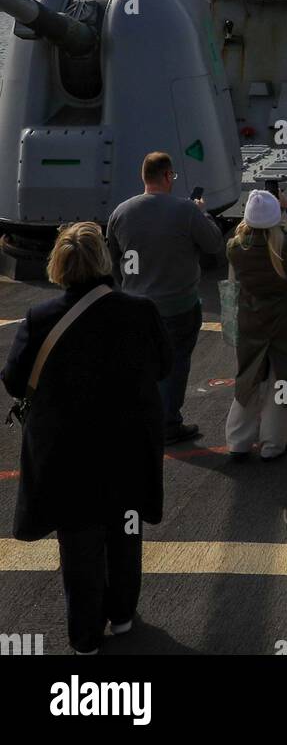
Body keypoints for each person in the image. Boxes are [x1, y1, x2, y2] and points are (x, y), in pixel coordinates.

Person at [1, 223, 171, 655]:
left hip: (67, 456)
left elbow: (15, 381)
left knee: (79, 548)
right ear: (104, 261)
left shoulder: (41, 319)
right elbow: (164, 366)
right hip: (127, 451)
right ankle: (123, 614)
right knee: (125, 534)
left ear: (58, 265)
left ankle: (85, 636)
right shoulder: (141, 311)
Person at [107, 151, 224, 445]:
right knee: (174, 364)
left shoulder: (120, 212)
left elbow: (113, 258)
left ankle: (141, 419)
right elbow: (213, 244)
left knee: (142, 364)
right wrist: (203, 212)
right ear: (168, 176)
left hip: (135, 305)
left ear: (143, 177)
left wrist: (128, 287)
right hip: (178, 306)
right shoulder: (186, 210)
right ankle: (168, 424)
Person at [225, 190, 287, 461]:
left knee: (248, 382)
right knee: (280, 385)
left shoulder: (235, 248)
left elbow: (242, 234)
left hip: (251, 326)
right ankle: (272, 445)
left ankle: (238, 442)